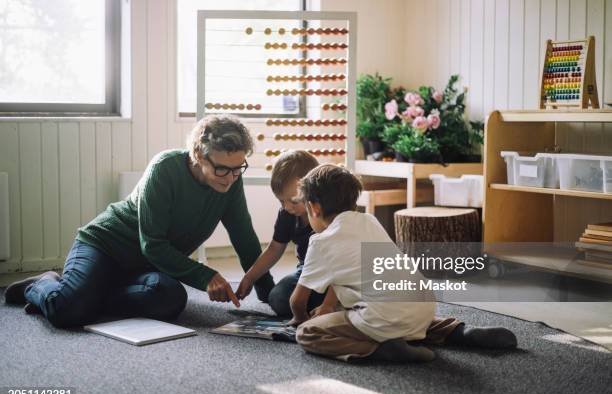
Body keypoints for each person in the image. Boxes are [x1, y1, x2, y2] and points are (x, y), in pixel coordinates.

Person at [4, 115, 274, 328]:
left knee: (171, 299)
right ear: (199, 155)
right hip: (104, 246)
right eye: (222, 169)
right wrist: (206, 276)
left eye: (238, 168)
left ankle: (90, 293)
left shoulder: (231, 182)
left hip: (146, 265)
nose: (230, 177)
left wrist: (267, 292)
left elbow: (244, 237)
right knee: (67, 312)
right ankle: (42, 284)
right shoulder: (165, 168)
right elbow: (154, 245)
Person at [290, 164, 517, 363]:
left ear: (314, 208)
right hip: (424, 307)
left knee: (309, 334)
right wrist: (329, 307)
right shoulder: (370, 221)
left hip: (384, 318)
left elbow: (297, 301)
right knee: (402, 313)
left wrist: (300, 321)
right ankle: (459, 332)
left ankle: (381, 349)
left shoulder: (321, 242)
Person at [235, 150, 325, 317]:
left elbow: (339, 266)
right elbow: (274, 249)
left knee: (365, 293)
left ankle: (330, 306)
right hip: (307, 271)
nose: (287, 207)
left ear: (314, 189)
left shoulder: (328, 214)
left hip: (335, 272)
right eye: (281, 201)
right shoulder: (287, 214)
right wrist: (249, 277)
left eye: (293, 201)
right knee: (278, 298)